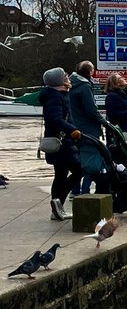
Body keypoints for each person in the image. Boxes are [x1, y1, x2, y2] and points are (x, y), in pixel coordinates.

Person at [39, 67, 81, 221]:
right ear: (59, 81)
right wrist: (72, 130)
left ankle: (57, 208)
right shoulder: (55, 97)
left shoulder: (60, 94)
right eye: (64, 76)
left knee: (61, 175)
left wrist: (74, 130)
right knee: (77, 170)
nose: (67, 77)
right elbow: (56, 119)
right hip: (61, 142)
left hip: (64, 140)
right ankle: (57, 206)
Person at [68, 60, 108, 194]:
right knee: (91, 160)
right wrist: (104, 122)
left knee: (78, 161)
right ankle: (85, 191)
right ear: (90, 72)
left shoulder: (72, 84)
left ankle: (75, 190)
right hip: (88, 129)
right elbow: (91, 110)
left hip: (74, 127)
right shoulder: (85, 87)